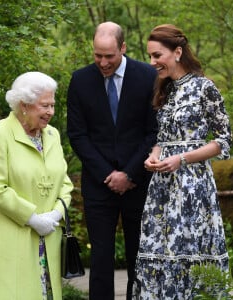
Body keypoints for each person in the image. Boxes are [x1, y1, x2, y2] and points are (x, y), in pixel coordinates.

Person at [132, 24, 232, 299]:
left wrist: (182, 158)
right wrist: (154, 155)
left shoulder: (204, 88)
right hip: (162, 188)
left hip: (192, 187)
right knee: (158, 252)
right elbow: (162, 138)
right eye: (150, 56)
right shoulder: (165, 90)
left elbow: (223, 140)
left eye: (157, 55)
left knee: (189, 252)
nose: (152, 62)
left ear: (177, 52)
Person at [66, 22, 157, 300]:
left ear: (123, 48)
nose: (103, 63)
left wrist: (129, 174)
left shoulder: (148, 76)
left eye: (109, 56)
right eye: (98, 56)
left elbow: (153, 131)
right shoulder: (80, 80)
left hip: (139, 182)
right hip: (98, 184)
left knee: (138, 257)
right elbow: (78, 135)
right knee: (101, 259)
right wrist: (109, 174)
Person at [0, 71, 73, 300]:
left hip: (49, 237)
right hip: (13, 239)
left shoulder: (52, 134)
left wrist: (54, 215)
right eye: (44, 106)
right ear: (24, 105)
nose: (50, 112)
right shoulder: (1, 133)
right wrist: (32, 218)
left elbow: (66, 183)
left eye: (52, 105)